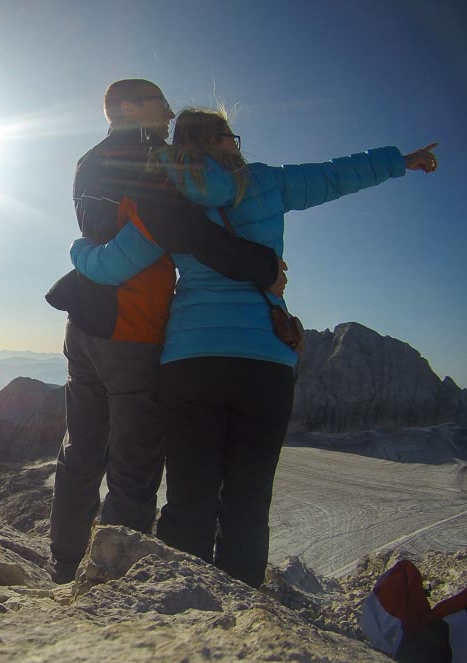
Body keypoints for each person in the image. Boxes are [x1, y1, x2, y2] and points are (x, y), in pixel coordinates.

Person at [70, 107, 438, 587]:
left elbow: (109, 267)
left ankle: (185, 608)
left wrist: (78, 250)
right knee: (248, 501)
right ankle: (241, 604)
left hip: (190, 362)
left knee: (189, 498)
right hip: (264, 363)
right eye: (230, 135)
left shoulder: (168, 200)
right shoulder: (266, 183)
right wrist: (400, 161)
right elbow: (336, 175)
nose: (236, 143)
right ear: (222, 141)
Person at [46, 81, 286, 584]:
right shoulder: (150, 162)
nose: (169, 112)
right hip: (132, 327)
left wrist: (90, 253)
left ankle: (65, 566)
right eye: (160, 103)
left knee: (81, 454)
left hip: (83, 322)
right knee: (134, 469)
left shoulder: (91, 160)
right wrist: (262, 265)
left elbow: (98, 230)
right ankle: (113, 582)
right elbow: (188, 233)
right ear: (129, 108)